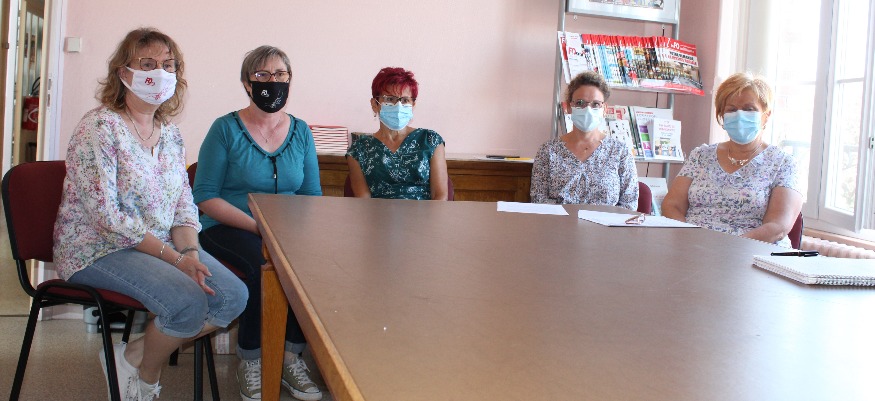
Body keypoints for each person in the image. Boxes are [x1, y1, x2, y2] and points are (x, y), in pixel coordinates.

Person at [53, 28, 247, 401]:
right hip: (97, 247)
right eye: (147, 64)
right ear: (123, 72)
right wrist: (175, 259)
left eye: (168, 65)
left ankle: (130, 356)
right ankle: (146, 379)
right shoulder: (99, 127)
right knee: (188, 303)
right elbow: (107, 219)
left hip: (159, 246)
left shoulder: (170, 134)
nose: (159, 72)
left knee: (232, 297)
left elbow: (183, 207)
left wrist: (189, 253)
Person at [193, 45, 323, 401]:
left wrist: (299, 233)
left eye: (280, 74)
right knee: (263, 263)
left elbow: (311, 194)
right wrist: (259, 227)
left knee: (305, 263)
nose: (272, 81)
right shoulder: (225, 128)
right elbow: (205, 195)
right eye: (262, 75)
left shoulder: (301, 131)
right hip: (227, 226)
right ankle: (251, 359)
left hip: (286, 230)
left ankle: (290, 357)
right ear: (247, 84)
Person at [661, 72, 802, 247]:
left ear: (766, 115)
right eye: (732, 109)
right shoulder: (700, 156)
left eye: (749, 109)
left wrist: (728, 248)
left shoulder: (783, 163)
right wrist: (691, 241)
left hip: (752, 252)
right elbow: (672, 205)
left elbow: (777, 227)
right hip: (693, 248)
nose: (740, 115)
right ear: (722, 115)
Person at [530, 71, 638, 208]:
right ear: (569, 107)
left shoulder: (620, 152)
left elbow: (629, 204)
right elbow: (538, 200)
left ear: (604, 109)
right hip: (559, 221)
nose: (588, 110)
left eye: (595, 104)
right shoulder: (548, 151)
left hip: (605, 222)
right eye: (580, 103)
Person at [346, 67, 449, 200]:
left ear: (413, 104)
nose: (398, 106)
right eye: (390, 99)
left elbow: (440, 196)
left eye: (405, 100)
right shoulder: (359, 149)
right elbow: (363, 200)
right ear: (375, 104)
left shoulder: (430, 141)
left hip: (424, 213)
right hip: (376, 213)